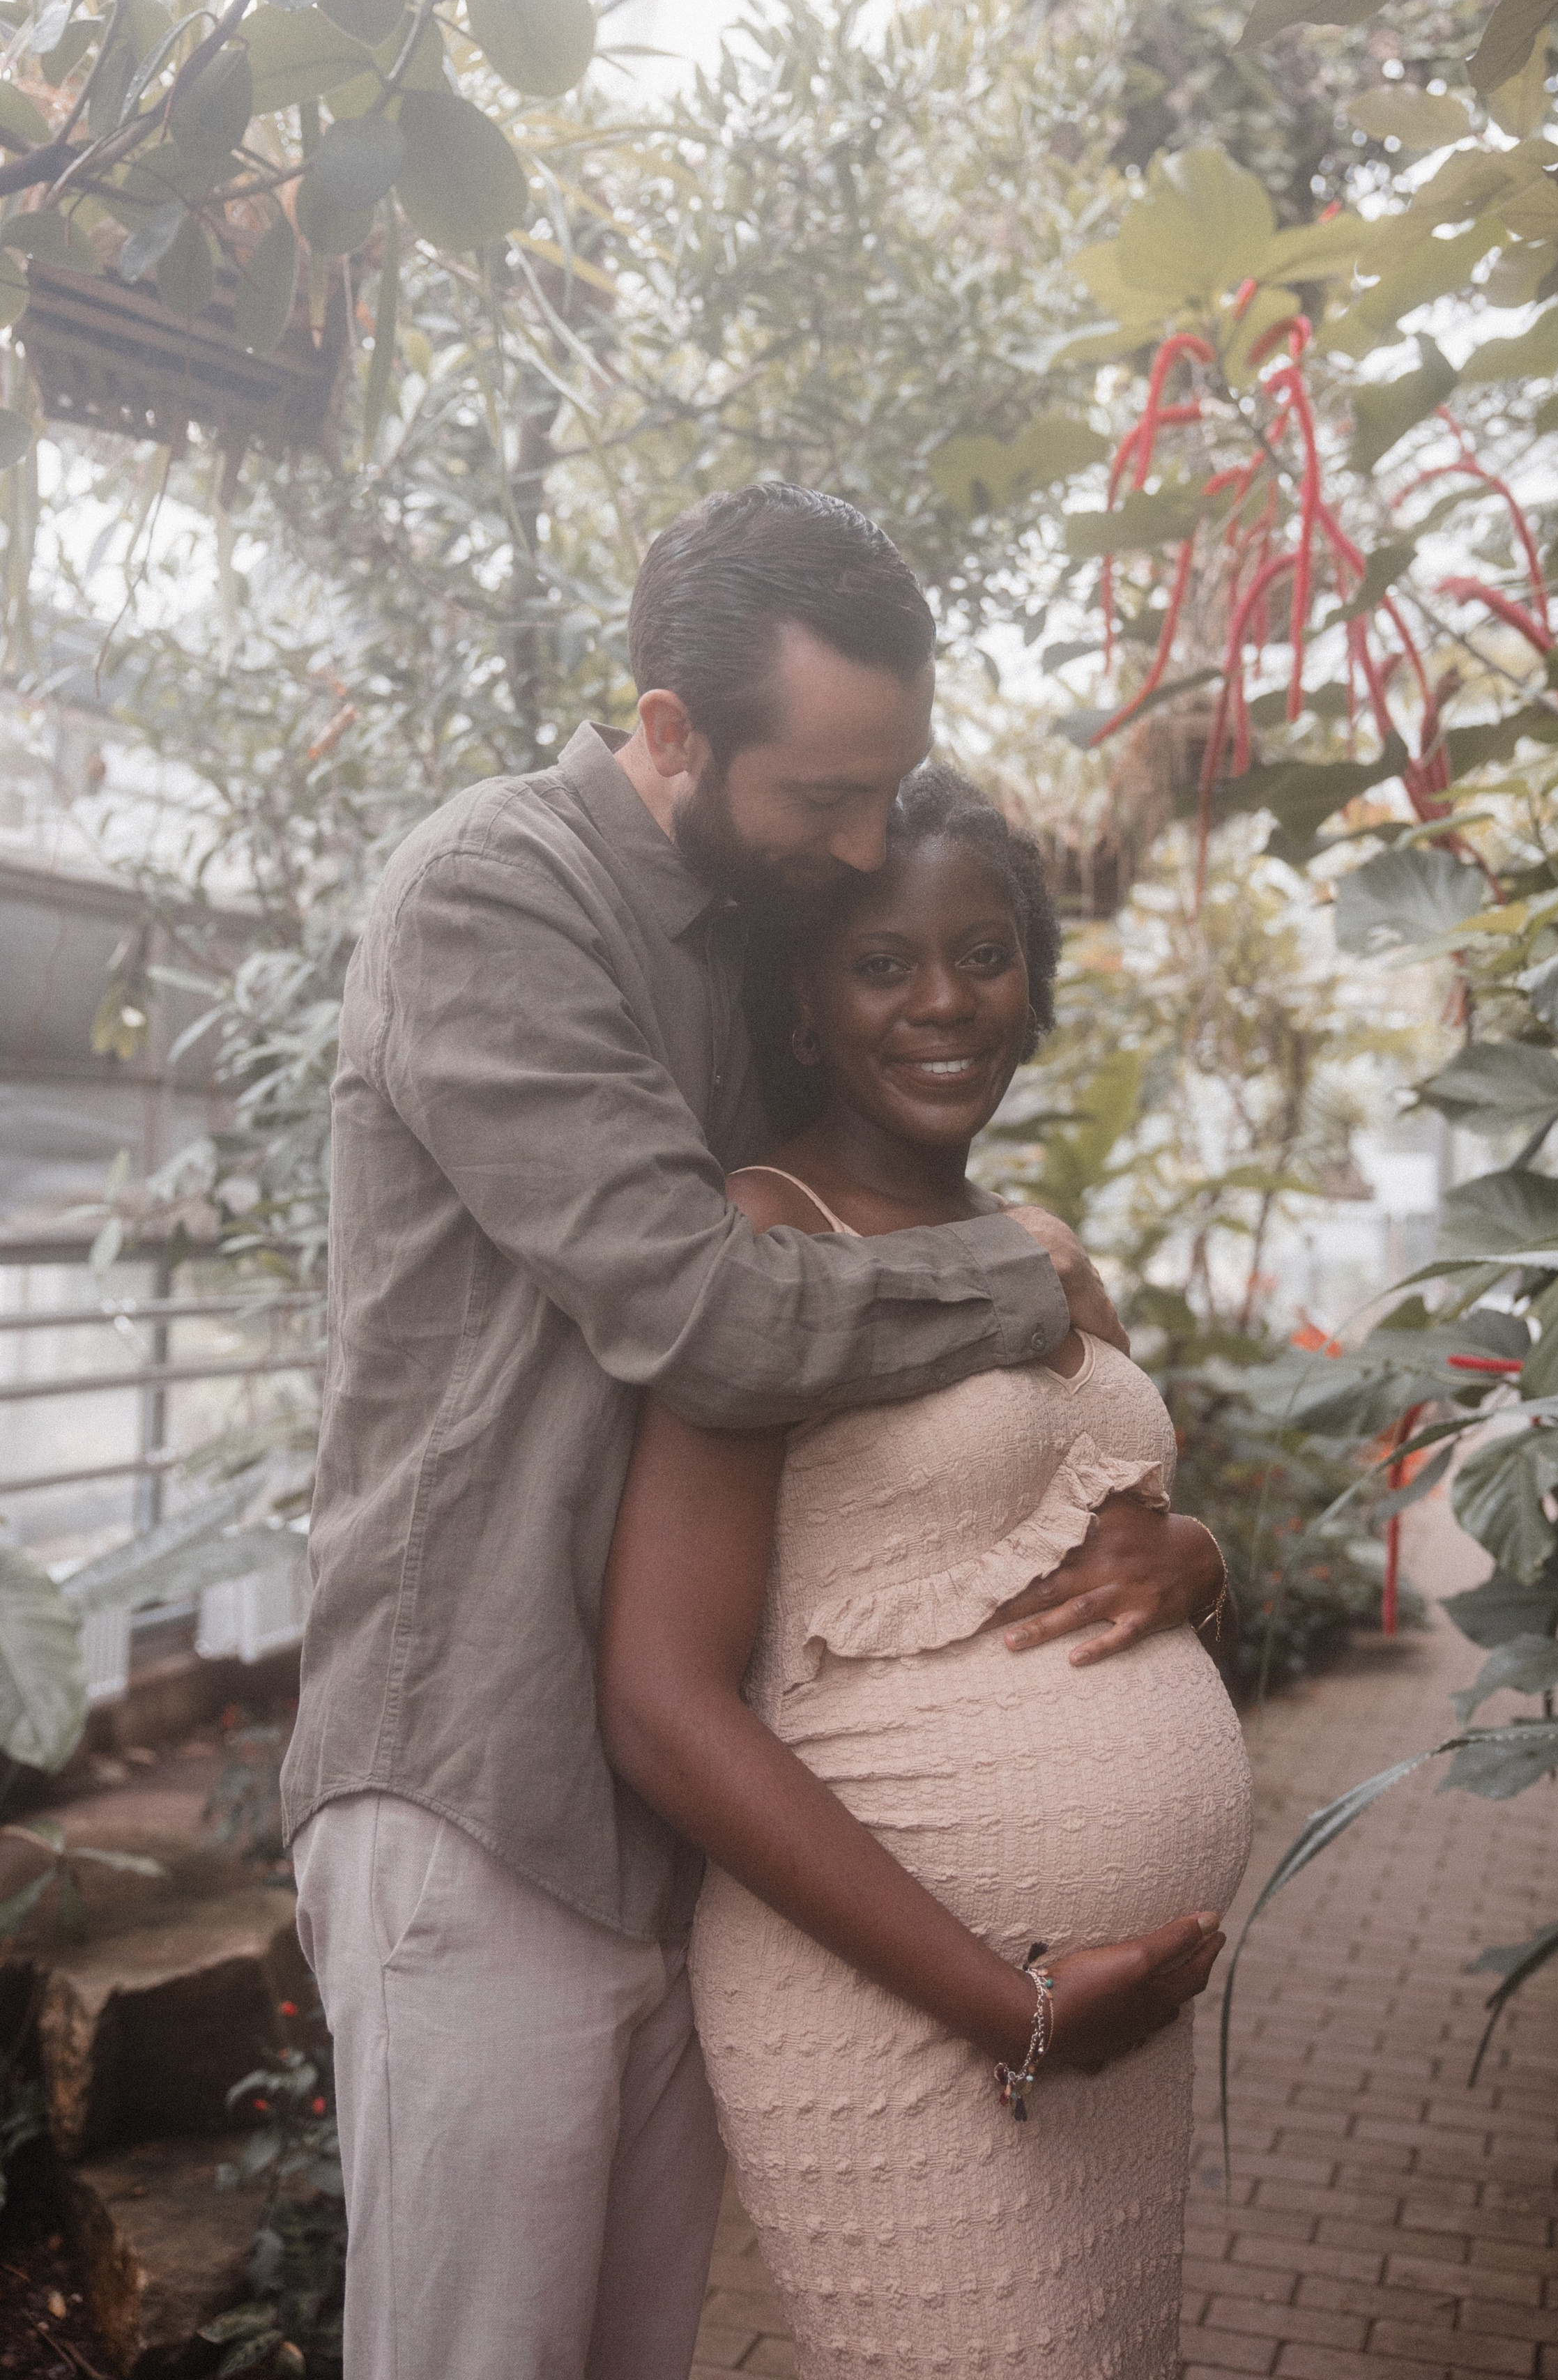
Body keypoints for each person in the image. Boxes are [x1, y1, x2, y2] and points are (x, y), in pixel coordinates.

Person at [281, 484, 1229, 2380]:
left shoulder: (750, 924)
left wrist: (1184, 1550)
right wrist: (1030, 1280)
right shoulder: (500, 894)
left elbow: (877, 1453)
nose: (865, 843)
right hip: (485, 1777)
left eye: (893, 789)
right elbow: (709, 1318)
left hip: (678, 1838)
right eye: (824, 799)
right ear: (668, 733)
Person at [599, 762, 1254, 2380]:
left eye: (983, 952)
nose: (943, 1000)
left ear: (1032, 978)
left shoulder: (1034, 1244)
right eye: (881, 964)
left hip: (1108, 2028)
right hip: (910, 2015)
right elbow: (662, 1703)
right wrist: (1009, 2007)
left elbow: (1112, 1528)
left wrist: (1202, 1558)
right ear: (806, 1007)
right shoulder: (761, 1246)